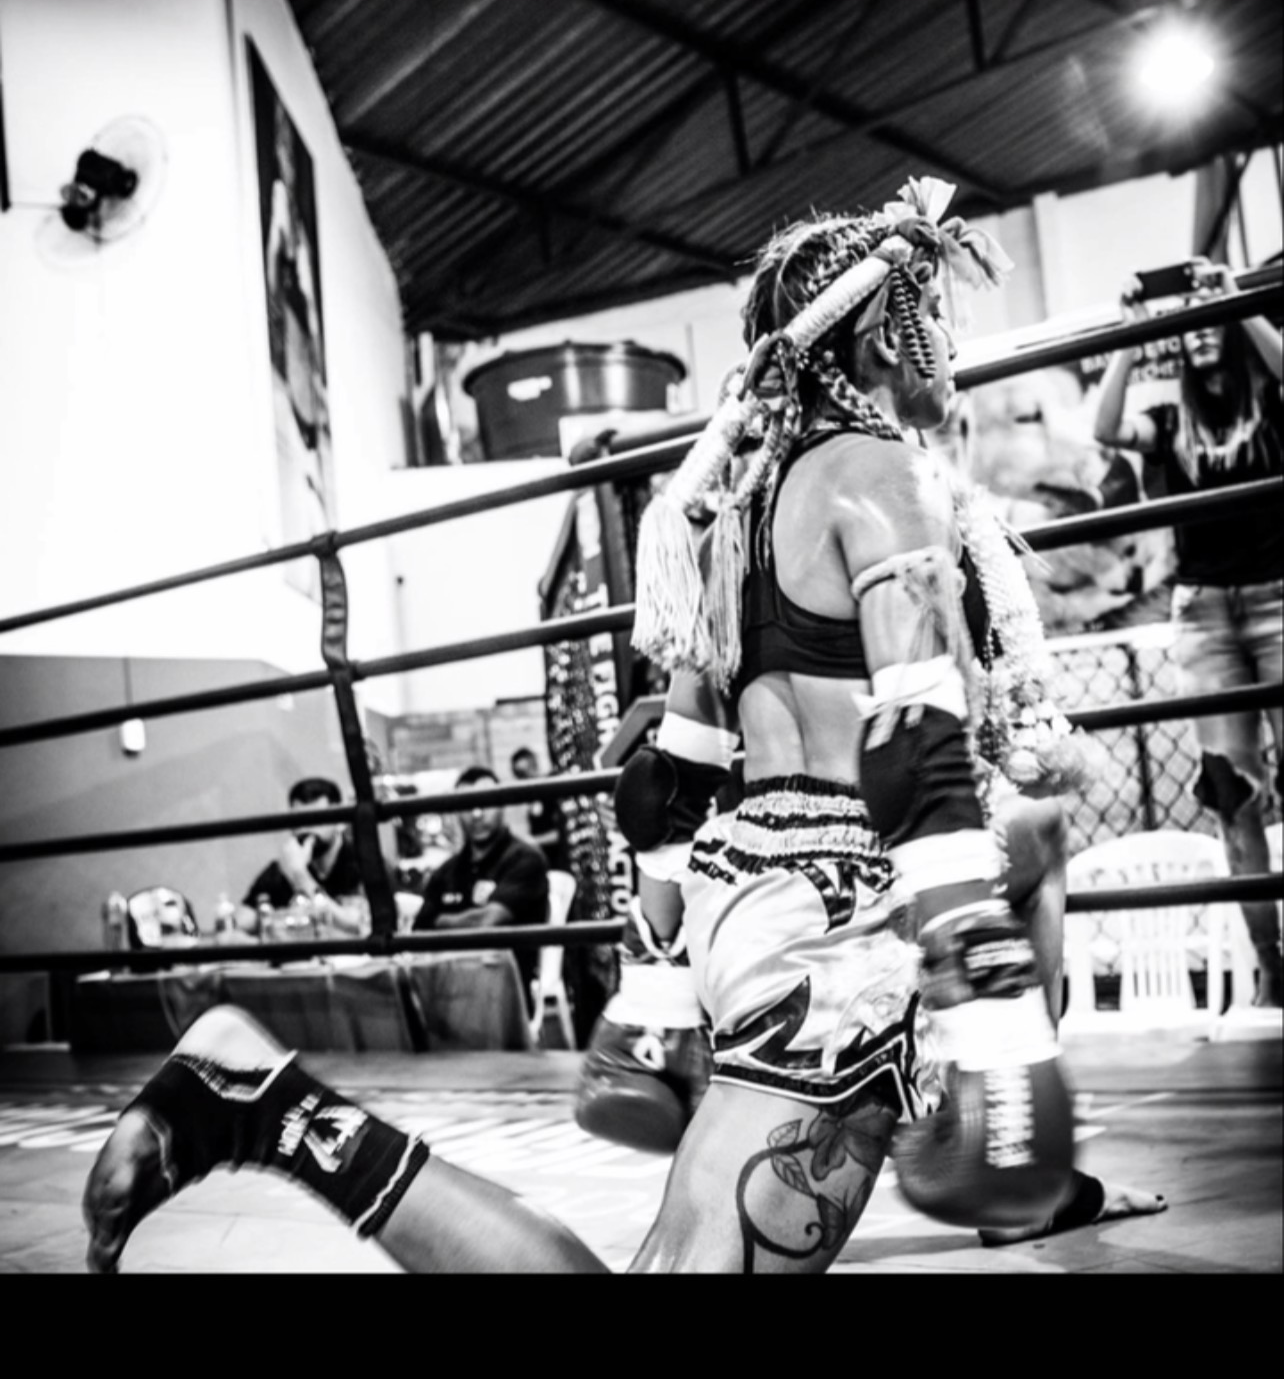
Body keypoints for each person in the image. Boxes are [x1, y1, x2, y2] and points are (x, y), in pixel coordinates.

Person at [83, 180, 1165, 1274]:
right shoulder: (886, 477)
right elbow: (916, 751)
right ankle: (271, 1114)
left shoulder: (731, 517)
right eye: (931, 311)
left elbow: (667, 783)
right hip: (841, 922)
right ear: (885, 331)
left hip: (750, 889)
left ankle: (1029, 1197)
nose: (947, 341)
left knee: (1036, 838)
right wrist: (990, 1013)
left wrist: (655, 986)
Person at [1094, 256, 1283, 1008]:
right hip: (1204, 614)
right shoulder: (1172, 423)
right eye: (1190, 325)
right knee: (1234, 796)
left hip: (1278, 600)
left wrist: (1231, 300)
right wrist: (1132, 333)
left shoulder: (1270, 398)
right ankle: (1273, 971)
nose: (1199, 332)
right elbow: (1105, 427)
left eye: (1210, 322)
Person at [412, 768, 550, 1001]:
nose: (476, 814)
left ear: (502, 804)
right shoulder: (447, 871)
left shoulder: (526, 859)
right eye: (467, 805)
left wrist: (442, 920)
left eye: (486, 803)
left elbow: (487, 922)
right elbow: (420, 929)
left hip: (503, 992)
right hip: (444, 988)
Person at [239, 776, 369, 939]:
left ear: (340, 822)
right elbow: (240, 922)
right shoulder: (281, 868)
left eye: (316, 819)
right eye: (299, 821)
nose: (306, 829)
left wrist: (300, 876)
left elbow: (358, 925)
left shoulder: (365, 862)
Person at [509, 747, 570, 873]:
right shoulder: (532, 797)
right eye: (520, 775)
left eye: (529, 769)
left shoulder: (552, 788)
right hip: (548, 864)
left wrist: (534, 840)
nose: (527, 777)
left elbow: (563, 832)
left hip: (564, 860)